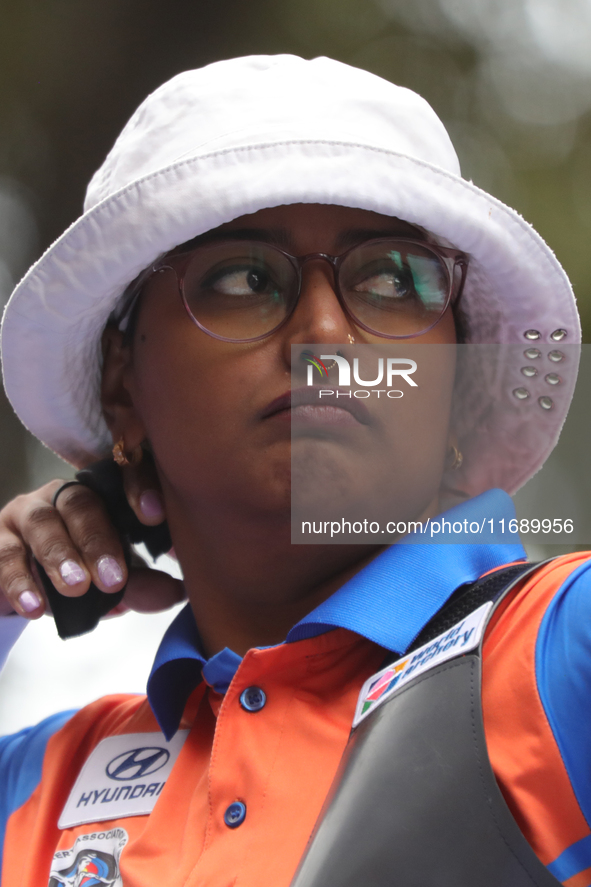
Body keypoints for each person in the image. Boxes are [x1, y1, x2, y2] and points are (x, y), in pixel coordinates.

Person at [0, 54, 587, 887]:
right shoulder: (44, 791)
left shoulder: (555, 658)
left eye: (392, 278)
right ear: (121, 384)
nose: (326, 335)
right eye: (244, 277)